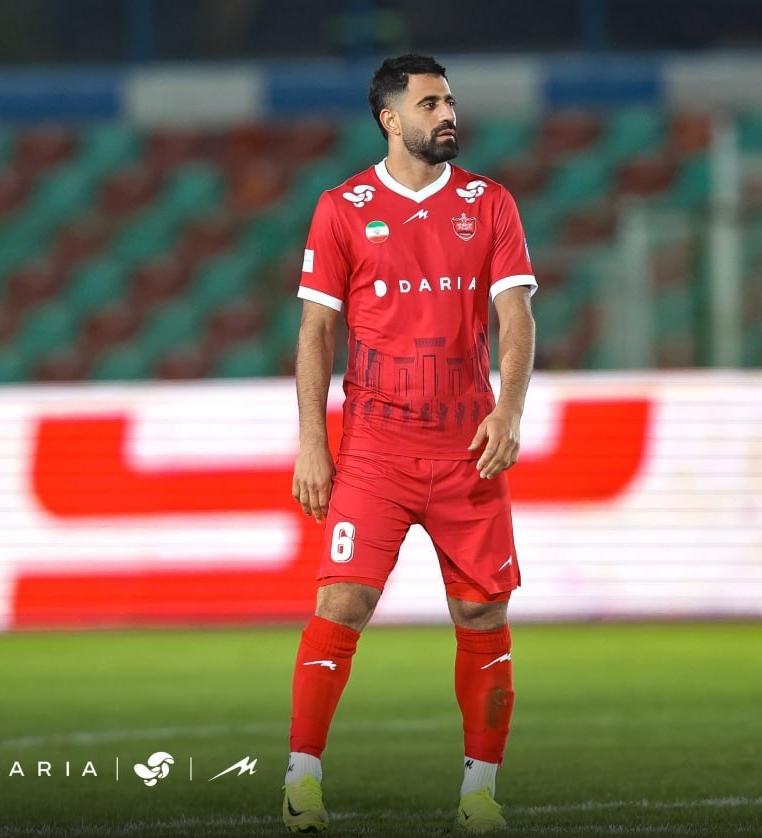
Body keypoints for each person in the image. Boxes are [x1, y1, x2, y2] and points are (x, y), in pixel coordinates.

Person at [284, 54, 537, 834]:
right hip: (375, 452)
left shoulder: (490, 204)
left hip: (468, 450)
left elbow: (517, 316)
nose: (448, 113)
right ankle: (301, 781)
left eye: (450, 101)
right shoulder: (342, 208)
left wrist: (510, 409)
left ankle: (480, 794)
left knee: (482, 613)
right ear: (390, 120)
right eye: (430, 104)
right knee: (342, 601)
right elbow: (316, 331)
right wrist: (313, 442)